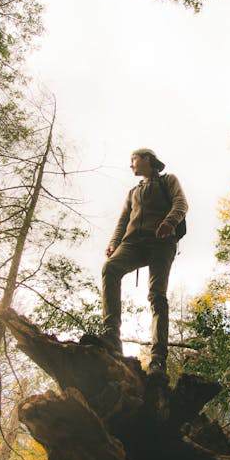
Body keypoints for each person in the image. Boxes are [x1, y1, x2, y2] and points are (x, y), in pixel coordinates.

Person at [82, 148, 188, 375]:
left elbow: (181, 203)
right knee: (110, 268)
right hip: (132, 244)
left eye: (133, 160)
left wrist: (170, 222)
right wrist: (113, 243)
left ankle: (158, 359)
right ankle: (112, 338)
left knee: (157, 296)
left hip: (161, 241)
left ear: (146, 159)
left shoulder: (168, 180)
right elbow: (122, 221)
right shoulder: (133, 192)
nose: (131, 165)